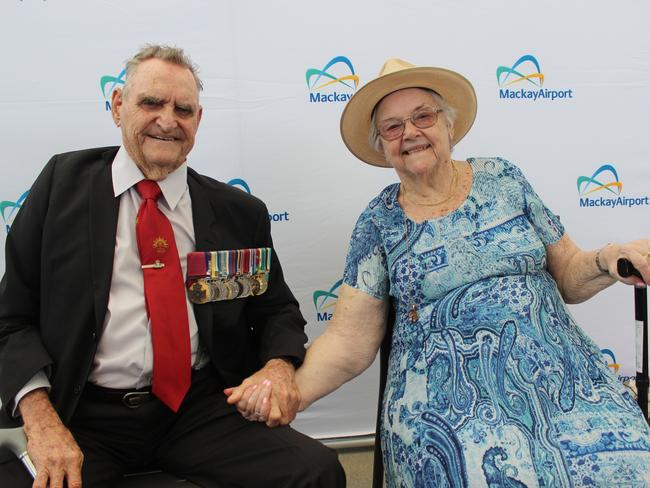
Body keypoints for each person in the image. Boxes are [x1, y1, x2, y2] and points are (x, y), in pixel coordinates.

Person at [230, 58, 650, 486]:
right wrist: (286, 392)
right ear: (382, 146)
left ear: (449, 125)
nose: (410, 133)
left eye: (423, 117)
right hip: (445, 404)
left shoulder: (504, 178)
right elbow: (348, 342)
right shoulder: (379, 222)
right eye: (392, 127)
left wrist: (607, 259)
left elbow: (568, 276)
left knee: (630, 457)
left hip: (564, 377)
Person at [0, 44, 345, 488]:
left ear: (197, 121)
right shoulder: (60, 187)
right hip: (83, 412)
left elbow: (275, 310)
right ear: (118, 107)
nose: (168, 119)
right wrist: (41, 418)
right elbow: (11, 321)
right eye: (151, 103)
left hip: (197, 408)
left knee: (315, 472)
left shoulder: (238, 211)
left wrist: (278, 366)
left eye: (183, 108)